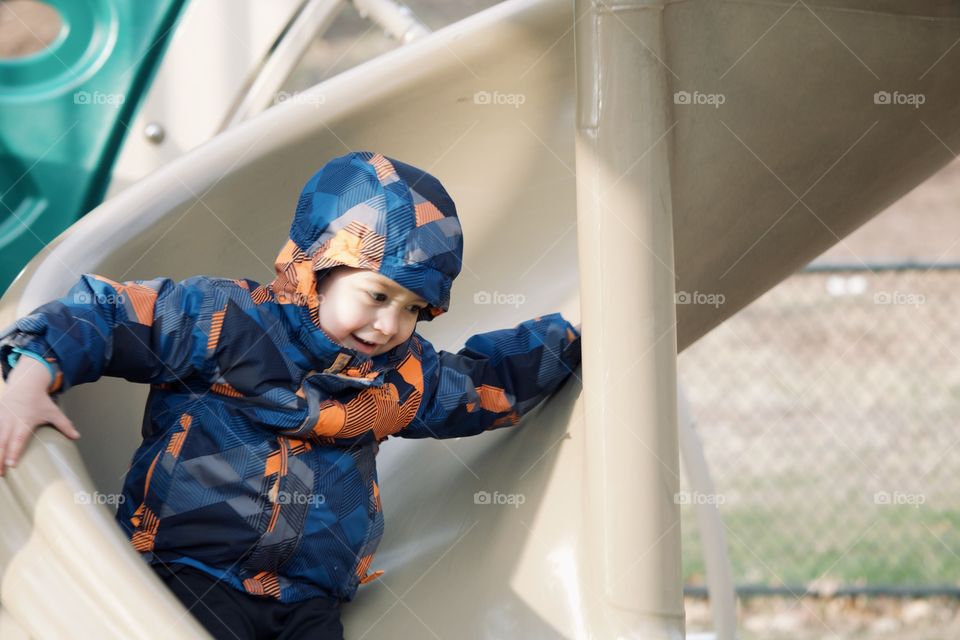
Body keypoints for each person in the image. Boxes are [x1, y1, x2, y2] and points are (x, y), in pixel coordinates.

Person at [0, 151, 581, 639]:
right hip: (194, 570)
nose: (389, 325)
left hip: (310, 598)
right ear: (316, 268)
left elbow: (481, 386)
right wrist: (30, 374)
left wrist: (580, 332)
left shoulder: (401, 374)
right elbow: (108, 315)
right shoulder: (227, 321)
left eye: (413, 310)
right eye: (377, 295)